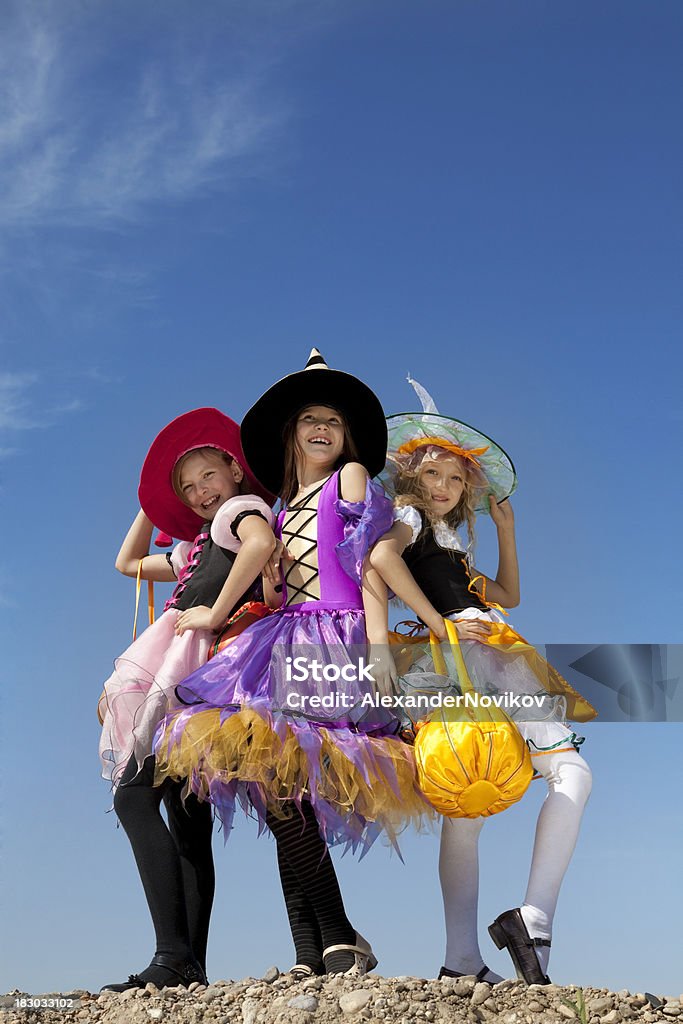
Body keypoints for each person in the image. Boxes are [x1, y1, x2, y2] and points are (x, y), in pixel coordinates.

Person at [154, 351, 429, 977]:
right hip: (285, 636)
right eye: (310, 416)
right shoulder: (279, 504)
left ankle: (334, 935)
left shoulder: (350, 476)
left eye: (333, 418)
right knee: (277, 784)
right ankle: (315, 949)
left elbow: (366, 560)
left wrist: (381, 646)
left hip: (339, 639)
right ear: (292, 430)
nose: (323, 427)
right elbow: (279, 585)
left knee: (285, 784)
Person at [366, 379, 595, 986]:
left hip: (462, 651)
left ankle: (461, 959)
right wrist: (441, 625)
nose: (443, 487)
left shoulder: (449, 547)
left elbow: (510, 596)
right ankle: (534, 920)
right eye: (433, 473)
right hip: (473, 649)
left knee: (464, 803)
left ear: (467, 488)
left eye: (456, 479)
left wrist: (507, 530)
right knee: (570, 771)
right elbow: (380, 561)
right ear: (411, 476)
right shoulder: (408, 518)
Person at [98, 408, 276, 991]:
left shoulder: (238, 513)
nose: (201, 493)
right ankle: (186, 965)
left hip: (204, 673)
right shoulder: (194, 545)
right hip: (189, 672)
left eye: (207, 476)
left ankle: (172, 955)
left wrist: (216, 609)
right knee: (186, 814)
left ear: (233, 467)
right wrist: (154, 505)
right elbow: (127, 564)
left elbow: (260, 542)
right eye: (188, 488)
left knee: (134, 798)